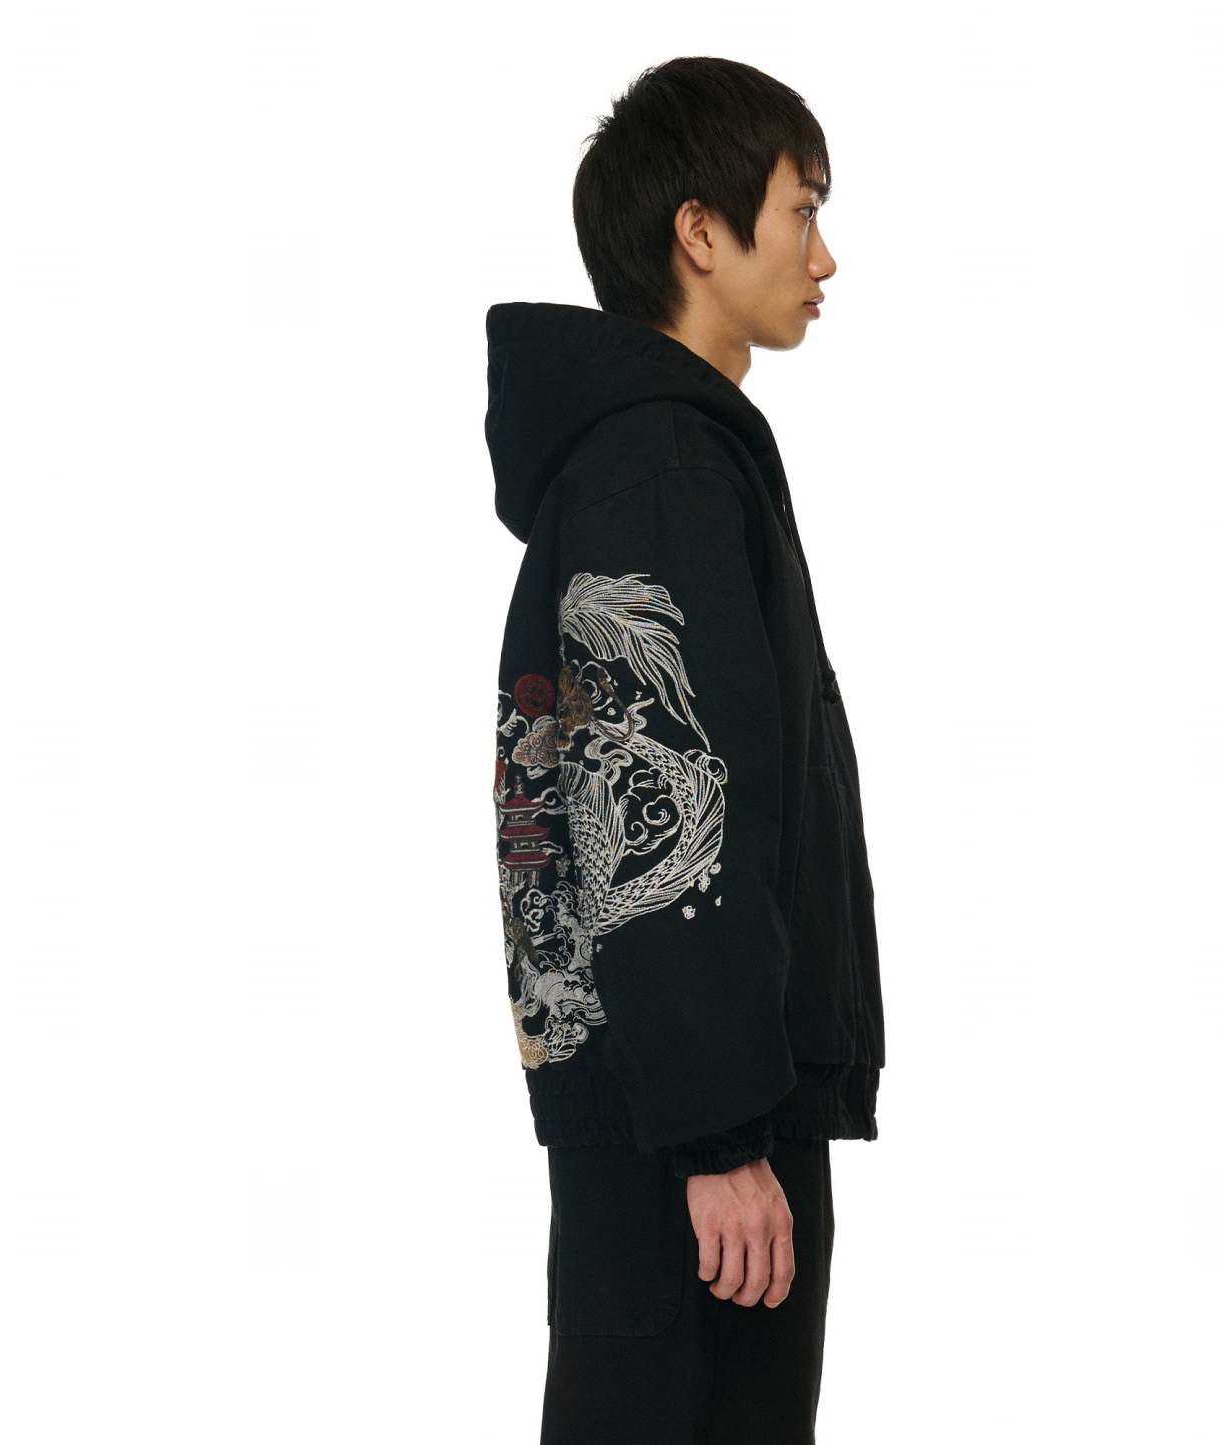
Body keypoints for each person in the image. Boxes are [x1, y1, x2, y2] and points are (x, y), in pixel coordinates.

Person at [486, 55, 886, 1445]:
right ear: (701, 232)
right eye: (802, 209)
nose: (824, 256)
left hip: (669, 1111)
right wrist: (719, 1140)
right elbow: (652, 813)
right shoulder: (658, 468)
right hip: (692, 1134)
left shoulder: (648, 462)